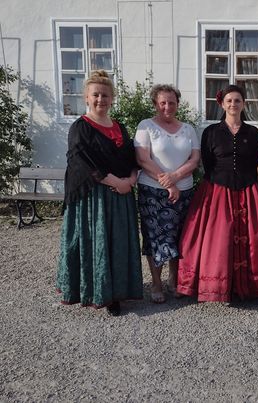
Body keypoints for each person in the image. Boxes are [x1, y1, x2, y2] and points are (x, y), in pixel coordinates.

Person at [177, 84, 258, 302]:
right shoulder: (211, 132)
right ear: (222, 104)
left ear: (244, 104)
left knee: (256, 238)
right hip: (217, 189)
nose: (233, 104)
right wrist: (219, 182)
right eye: (229, 101)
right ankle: (215, 284)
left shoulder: (253, 133)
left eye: (237, 100)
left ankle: (253, 286)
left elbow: (257, 162)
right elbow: (208, 163)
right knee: (217, 239)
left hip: (247, 189)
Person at [56, 70, 143, 316]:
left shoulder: (119, 127)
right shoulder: (80, 127)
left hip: (121, 194)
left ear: (112, 98)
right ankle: (98, 291)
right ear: (86, 97)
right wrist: (114, 181)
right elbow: (81, 162)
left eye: (105, 95)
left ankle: (117, 292)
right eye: (95, 95)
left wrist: (131, 180)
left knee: (117, 243)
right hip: (94, 197)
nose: (100, 99)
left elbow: (131, 158)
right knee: (98, 243)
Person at [134, 84, 201, 304]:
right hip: (153, 193)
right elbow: (143, 159)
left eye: (171, 102)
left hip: (185, 192)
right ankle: (156, 283)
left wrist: (176, 177)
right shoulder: (146, 126)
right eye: (162, 102)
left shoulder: (188, 129)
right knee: (156, 237)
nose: (167, 107)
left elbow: (194, 160)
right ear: (155, 103)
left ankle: (174, 280)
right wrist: (168, 183)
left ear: (177, 104)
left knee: (178, 237)